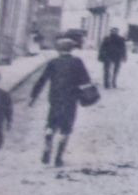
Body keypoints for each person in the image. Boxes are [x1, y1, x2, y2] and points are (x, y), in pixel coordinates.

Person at [29, 34, 93, 167]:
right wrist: (88, 96)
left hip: (55, 98)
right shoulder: (77, 62)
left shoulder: (53, 62)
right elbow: (86, 81)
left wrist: (33, 97)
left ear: (59, 49)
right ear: (71, 49)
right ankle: (58, 157)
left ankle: (48, 138)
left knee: (51, 122)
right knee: (66, 128)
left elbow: (42, 80)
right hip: (70, 99)